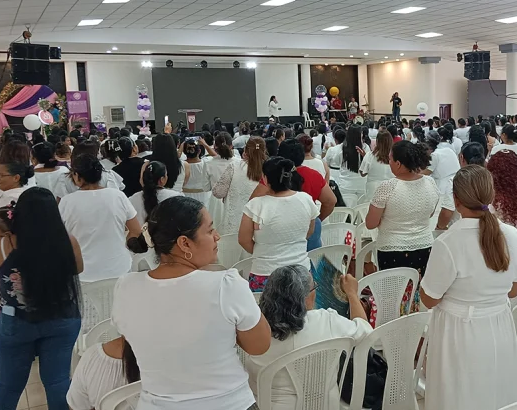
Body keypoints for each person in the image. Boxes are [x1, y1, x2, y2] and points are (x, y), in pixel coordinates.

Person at [116, 196, 271, 410]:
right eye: (209, 231)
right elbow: (260, 345)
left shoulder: (126, 287)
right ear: (184, 243)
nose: (217, 237)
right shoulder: (225, 285)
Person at [420, 165, 517, 410]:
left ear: (456, 200)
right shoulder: (511, 235)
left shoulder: (448, 242)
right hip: (498, 324)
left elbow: (429, 299)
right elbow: (513, 290)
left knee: (458, 393)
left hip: (459, 330)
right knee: (495, 387)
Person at [0, 188, 84, 410]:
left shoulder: (1, 245)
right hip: (62, 317)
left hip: (16, 321)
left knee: (9, 386)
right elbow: (78, 269)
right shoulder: (68, 242)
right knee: (58, 381)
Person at [246, 265, 370, 409]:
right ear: (304, 298)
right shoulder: (327, 321)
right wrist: (352, 293)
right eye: (314, 288)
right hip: (327, 404)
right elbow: (366, 330)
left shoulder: (255, 332)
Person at [366, 141, 439, 310]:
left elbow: (370, 223)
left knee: (392, 298)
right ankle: (415, 328)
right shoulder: (430, 183)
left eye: (390, 159)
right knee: (416, 294)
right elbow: (428, 214)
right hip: (424, 246)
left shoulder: (388, 187)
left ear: (398, 164)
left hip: (393, 249)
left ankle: (394, 330)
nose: (388, 162)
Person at [239, 157, 319, 291]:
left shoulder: (255, 205)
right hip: (300, 269)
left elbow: (243, 240)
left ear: (265, 179)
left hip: (265, 272)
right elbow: (309, 231)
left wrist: (265, 252)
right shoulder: (306, 199)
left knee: (265, 311)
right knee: (301, 310)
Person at [59, 154, 141, 283]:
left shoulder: (66, 202)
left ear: (77, 176)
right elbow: (136, 231)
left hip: (83, 274)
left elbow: (60, 239)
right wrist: (119, 246)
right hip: (118, 269)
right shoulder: (118, 196)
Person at [212, 137, 267, 236]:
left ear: (245, 150)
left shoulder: (235, 166)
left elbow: (218, 192)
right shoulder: (268, 169)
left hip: (233, 224)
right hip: (259, 224)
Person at [128, 161, 183, 227]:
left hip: (140, 236)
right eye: (166, 175)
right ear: (162, 179)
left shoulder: (133, 198)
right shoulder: (176, 197)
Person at [359, 130, 394, 202]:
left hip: (373, 191)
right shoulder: (396, 157)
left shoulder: (370, 155)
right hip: (392, 190)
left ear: (377, 141)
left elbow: (362, 173)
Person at [338, 126, 367, 196]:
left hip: (345, 186)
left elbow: (337, 163)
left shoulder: (340, 148)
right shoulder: (365, 148)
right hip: (362, 186)